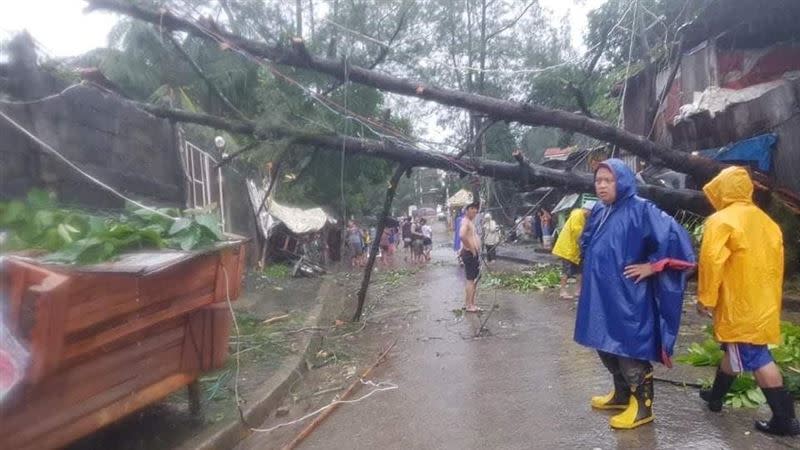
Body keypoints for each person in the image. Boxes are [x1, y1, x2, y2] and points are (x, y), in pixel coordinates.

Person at [576, 159, 695, 430]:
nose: (602, 185)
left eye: (608, 180)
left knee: (627, 348)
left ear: (623, 181)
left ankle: (643, 408)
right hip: (601, 295)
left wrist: (652, 266)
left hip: (628, 297)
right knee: (604, 345)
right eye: (598, 181)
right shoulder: (600, 210)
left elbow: (676, 238)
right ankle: (621, 395)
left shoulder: (641, 210)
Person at [696, 167, 799, 436]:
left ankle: (785, 419)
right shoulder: (768, 223)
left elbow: (711, 262)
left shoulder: (721, 221)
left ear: (722, 189)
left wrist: (706, 298)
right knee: (736, 349)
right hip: (763, 302)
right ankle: (716, 397)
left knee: (756, 356)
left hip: (738, 302)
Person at [551, 202, 594, 299]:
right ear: (587, 210)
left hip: (575, 249)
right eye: (591, 212)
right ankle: (562, 291)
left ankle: (578, 291)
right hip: (568, 248)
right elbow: (577, 233)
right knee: (566, 271)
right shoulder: (577, 215)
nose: (591, 214)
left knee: (580, 270)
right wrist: (584, 246)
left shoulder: (582, 216)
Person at [459, 201, 482, 313]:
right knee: (471, 280)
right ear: (467, 210)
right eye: (472, 209)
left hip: (470, 253)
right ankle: (470, 305)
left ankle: (468, 303)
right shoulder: (465, 221)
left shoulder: (469, 222)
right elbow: (462, 235)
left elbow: (467, 236)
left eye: (475, 209)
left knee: (471, 280)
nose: (475, 211)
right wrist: (472, 249)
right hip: (470, 253)